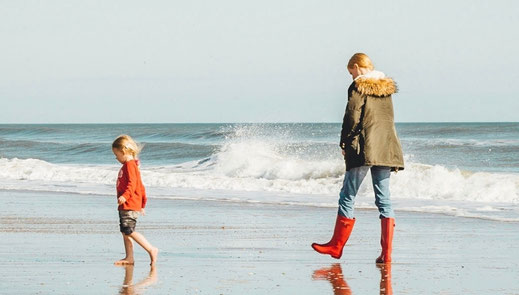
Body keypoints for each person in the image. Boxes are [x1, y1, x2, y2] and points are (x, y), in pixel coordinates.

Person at [312, 53, 404, 263]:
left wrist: (345, 142)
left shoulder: (358, 86)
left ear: (357, 66)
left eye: (351, 71)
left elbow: (352, 116)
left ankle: (336, 246)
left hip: (364, 147)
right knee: (384, 199)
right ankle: (386, 254)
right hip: (386, 147)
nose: (351, 76)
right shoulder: (385, 89)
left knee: (348, 194)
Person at [112, 135, 158, 266]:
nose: (116, 158)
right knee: (125, 232)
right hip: (127, 204)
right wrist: (143, 203)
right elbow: (140, 186)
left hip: (129, 203)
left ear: (124, 151)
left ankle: (151, 249)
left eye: (116, 154)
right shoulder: (131, 165)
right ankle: (129, 257)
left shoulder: (130, 165)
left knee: (128, 230)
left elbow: (133, 184)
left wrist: (125, 196)